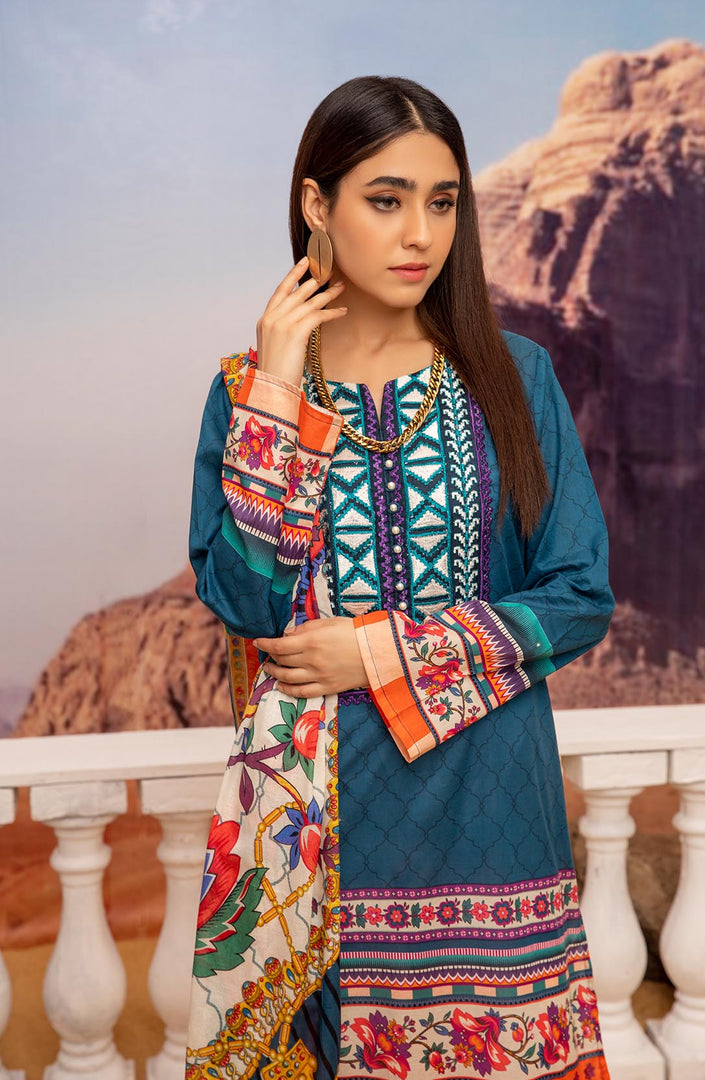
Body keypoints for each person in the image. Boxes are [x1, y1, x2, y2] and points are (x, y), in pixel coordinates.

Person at [185, 75, 614, 1080]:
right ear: (316, 204)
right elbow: (245, 603)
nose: (421, 233)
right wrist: (280, 387)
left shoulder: (514, 379)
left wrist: (375, 651)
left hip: (489, 818)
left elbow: (577, 596)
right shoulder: (245, 393)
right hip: (309, 829)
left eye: (442, 200)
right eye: (386, 200)